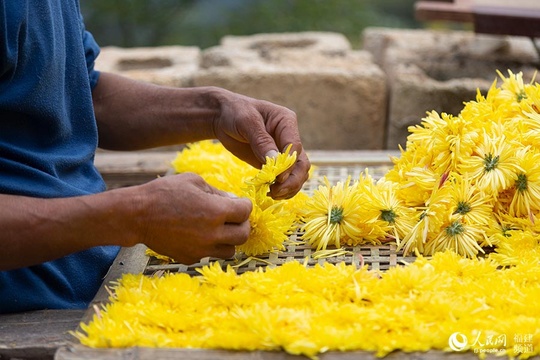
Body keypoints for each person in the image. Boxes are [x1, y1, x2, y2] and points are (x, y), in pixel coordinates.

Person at [0, 1, 310, 313]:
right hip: (28, 309)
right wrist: (132, 215)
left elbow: (82, 94)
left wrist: (216, 111)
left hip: (105, 278)